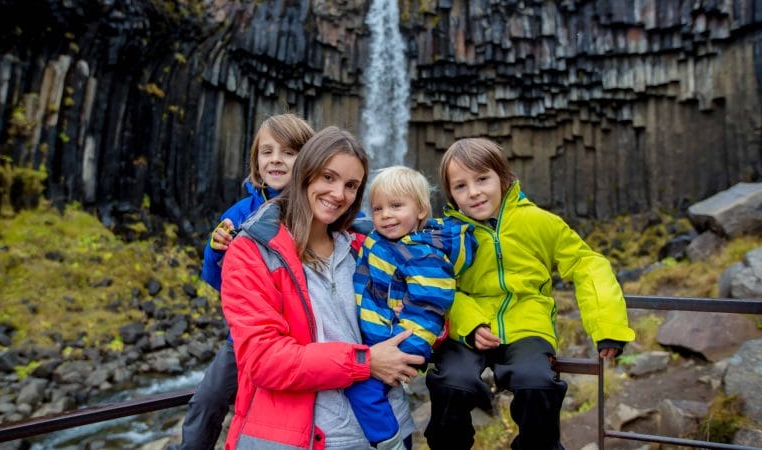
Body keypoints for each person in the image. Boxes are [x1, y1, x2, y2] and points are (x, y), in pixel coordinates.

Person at [424, 138, 636, 450]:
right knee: (452, 383)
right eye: (460, 186)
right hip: (467, 328)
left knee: (536, 382)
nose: (474, 192)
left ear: (503, 177)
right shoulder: (446, 233)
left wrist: (608, 329)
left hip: (527, 325)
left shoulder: (539, 222)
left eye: (482, 179)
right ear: (451, 195)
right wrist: (469, 324)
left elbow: (587, 264)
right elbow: (435, 283)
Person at [221, 127, 424, 450]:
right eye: (328, 177)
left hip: (391, 429)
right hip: (306, 438)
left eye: (351, 185)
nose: (339, 194)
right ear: (305, 172)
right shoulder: (252, 251)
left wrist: (415, 320)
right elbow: (263, 359)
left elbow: (433, 306)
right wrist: (364, 362)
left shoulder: (367, 246)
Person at [175, 113, 314, 450]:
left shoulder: (314, 208)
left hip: (303, 334)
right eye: (267, 152)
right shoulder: (238, 213)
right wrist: (215, 250)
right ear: (256, 159)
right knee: (207, 400)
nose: (276, 160)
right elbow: (217, 281)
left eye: (288, 152)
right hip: (246, 334)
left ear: (309, 158)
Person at [347, 166, 475, 449]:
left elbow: (429, 307)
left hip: (400, 342)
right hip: (378, 337)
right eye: (377, 208)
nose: (385, 215)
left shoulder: (424, 254)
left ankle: (389, 443)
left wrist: (403, 351)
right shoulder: (383, 240)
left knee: (362, 390)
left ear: (420, 210)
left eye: (396, 206)